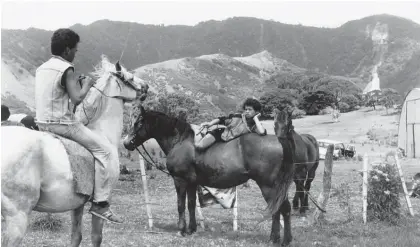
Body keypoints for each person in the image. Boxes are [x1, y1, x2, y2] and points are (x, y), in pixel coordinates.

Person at [34, 28, 123, 224]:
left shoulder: (42, 68)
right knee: (105, 152)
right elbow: (77, 99)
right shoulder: (67, 68)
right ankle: (100, 203)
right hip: (62, 124)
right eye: (75, 50)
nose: (75, 53)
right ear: (67, 50)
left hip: (41, 123)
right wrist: (88, 84)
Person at [195, 98, 267, 150]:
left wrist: (256, 118)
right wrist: (210, 123)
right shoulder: (237, 116)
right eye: (246, 109)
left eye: (250, 109)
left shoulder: (253, 125)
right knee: (199, 146)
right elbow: (221, 119)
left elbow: (262, 132)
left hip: (232, 144)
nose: (247, 111)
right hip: (220, 134)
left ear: (256, 111)